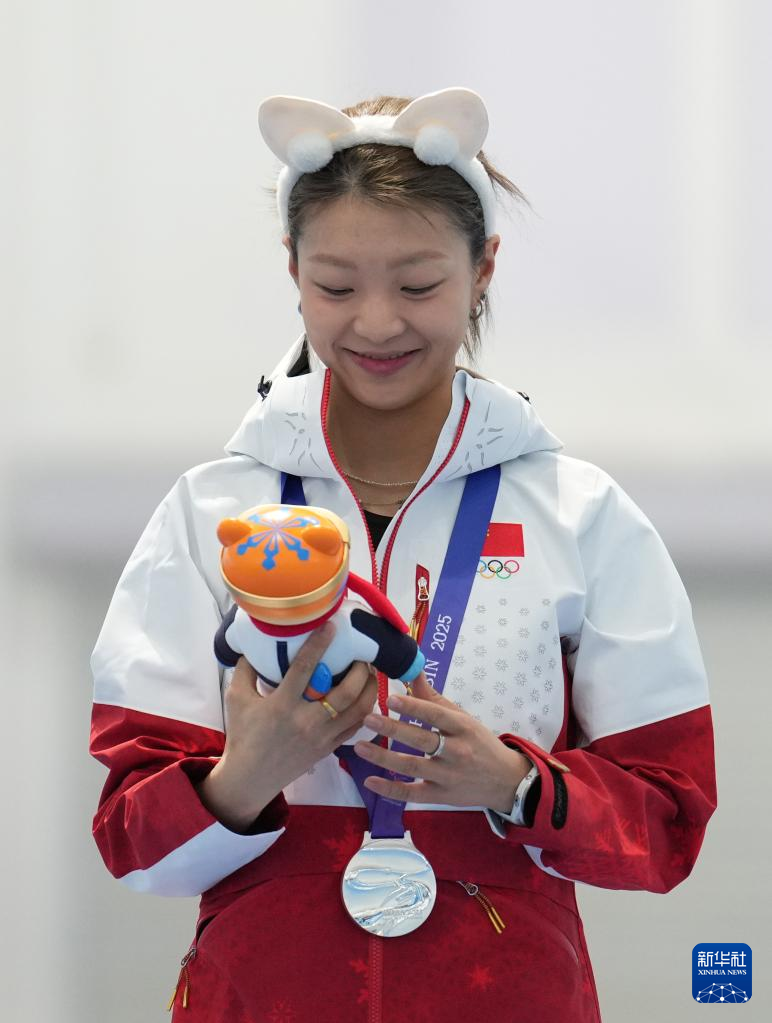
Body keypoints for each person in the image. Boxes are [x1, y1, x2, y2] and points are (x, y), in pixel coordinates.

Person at [89, 88, 717, 1022]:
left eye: (418, 285)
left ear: (484, 267)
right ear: (293, 268)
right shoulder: (210, 511)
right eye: (336, 287)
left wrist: (513, 783)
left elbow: (668, 824)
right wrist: (247, 775)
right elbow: (130, 843)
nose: (377, 323)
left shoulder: (581, 515)